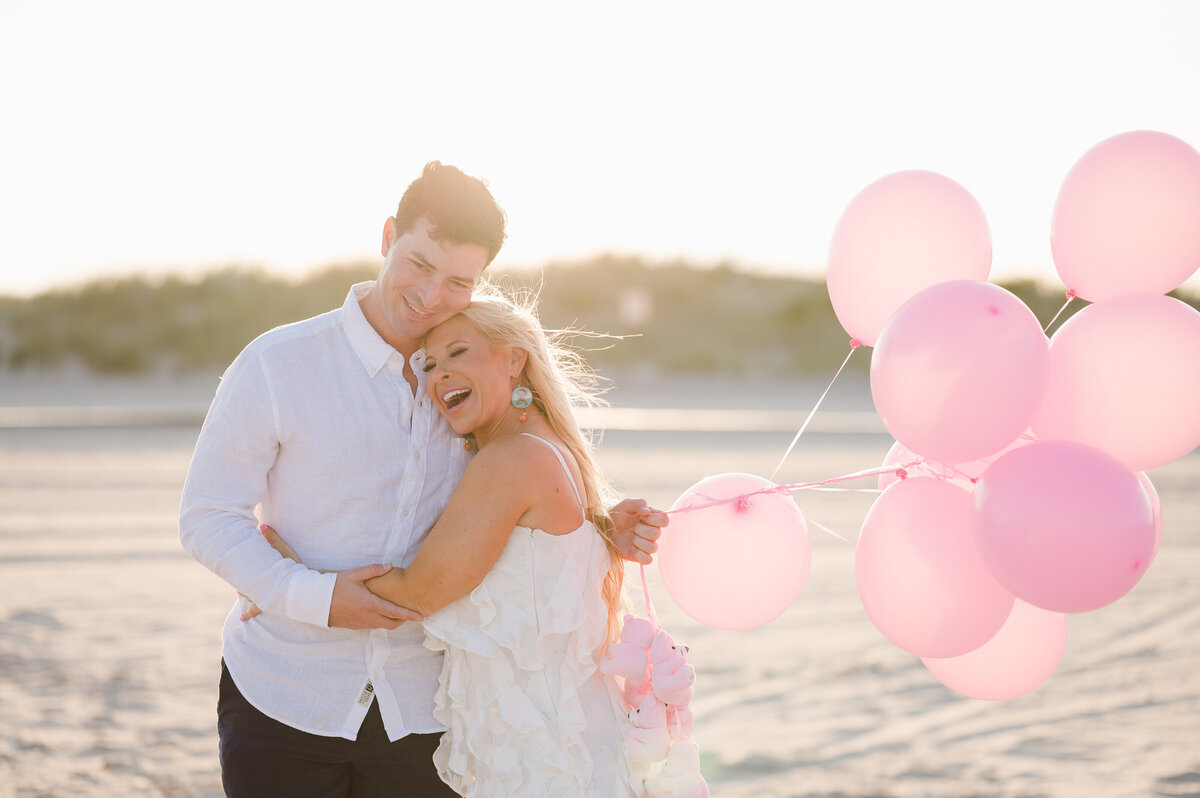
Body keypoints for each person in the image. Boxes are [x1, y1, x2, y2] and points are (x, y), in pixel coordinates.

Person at [178, 161, 665, 797]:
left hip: (427, 714)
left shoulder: (466, 382)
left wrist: (600, 524)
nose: (432, 295)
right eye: (418, 264)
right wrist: (300, 591)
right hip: (285, 694)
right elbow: (208, 518)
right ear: (387, 238)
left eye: (459, 280)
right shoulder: (278, 364)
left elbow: (522, 490)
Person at [256, 292, 647, 794]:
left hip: (541, 755)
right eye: (429, 363)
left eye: (459, 353)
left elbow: (417, 594)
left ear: (513, 360)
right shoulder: (549, 452)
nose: (439, 375)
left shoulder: (510, 460)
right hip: (568, 737)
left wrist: (290, 575)